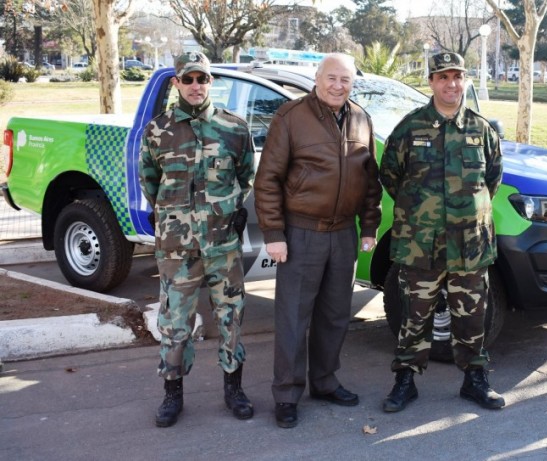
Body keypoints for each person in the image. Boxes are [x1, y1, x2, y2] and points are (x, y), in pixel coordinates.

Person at [254, 53, 382, 429]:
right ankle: (287, 394)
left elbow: (370, 181)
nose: (338, 85)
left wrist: (370, 226)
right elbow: (268, 180)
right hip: (301, 232)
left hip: (343, 233)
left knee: (335, 315)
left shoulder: (361, 119)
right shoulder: (291, 117)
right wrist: (274, 234)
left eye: (345, 79)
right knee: (293, 317)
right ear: (317, 77)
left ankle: (324, 382)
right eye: (332, 77)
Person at [379, 52, 505, 413]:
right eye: (443, 77)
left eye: (457, 77)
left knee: (472, 316)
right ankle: (405, 380)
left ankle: (475, 380)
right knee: (413, 315)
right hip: (421, 245)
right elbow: (391, 177)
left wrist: (465, 214)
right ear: (431, 82)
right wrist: (422, 213)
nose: (451, 84)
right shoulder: (409, 128)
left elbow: (491, 180)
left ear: (464, 80)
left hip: (469, 246)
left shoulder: (482, 130)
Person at [139, 51, 256, 428]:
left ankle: (233, 388)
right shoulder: (158, 129)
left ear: (210, 82)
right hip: (177, 248)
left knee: (231, 319)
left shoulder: (234, 128)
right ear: (176, 83)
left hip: (222, 245)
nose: (195, 86)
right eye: (187, 79)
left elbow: (245, 177)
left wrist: (230, 211)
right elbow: (150, 181)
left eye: (202, 79)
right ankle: (172, 394)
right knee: (175, 322)